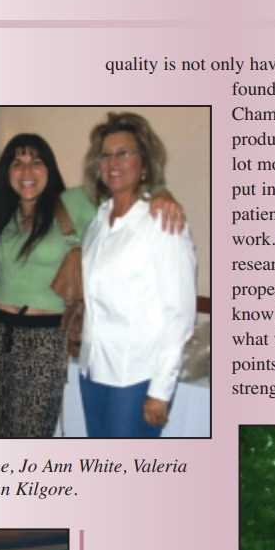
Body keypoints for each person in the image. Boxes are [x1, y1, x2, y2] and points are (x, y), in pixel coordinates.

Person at [0, 133, 186, 438]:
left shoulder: (74, 202)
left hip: (44, 339)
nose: (26, 171)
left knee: (31, 435)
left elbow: (123, 182)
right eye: (17, 163)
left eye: (36, 162)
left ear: (49, 168)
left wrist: (161, 191)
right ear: (6, 172)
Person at [79, 113, 196, 438]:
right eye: (106, 155)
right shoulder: (98, 221)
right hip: (93, 370)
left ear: (144, 164)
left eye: (124, 153)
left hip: (136, 377)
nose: (113, 162)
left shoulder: (161, 221)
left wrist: (161, 389)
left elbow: (179, 312)